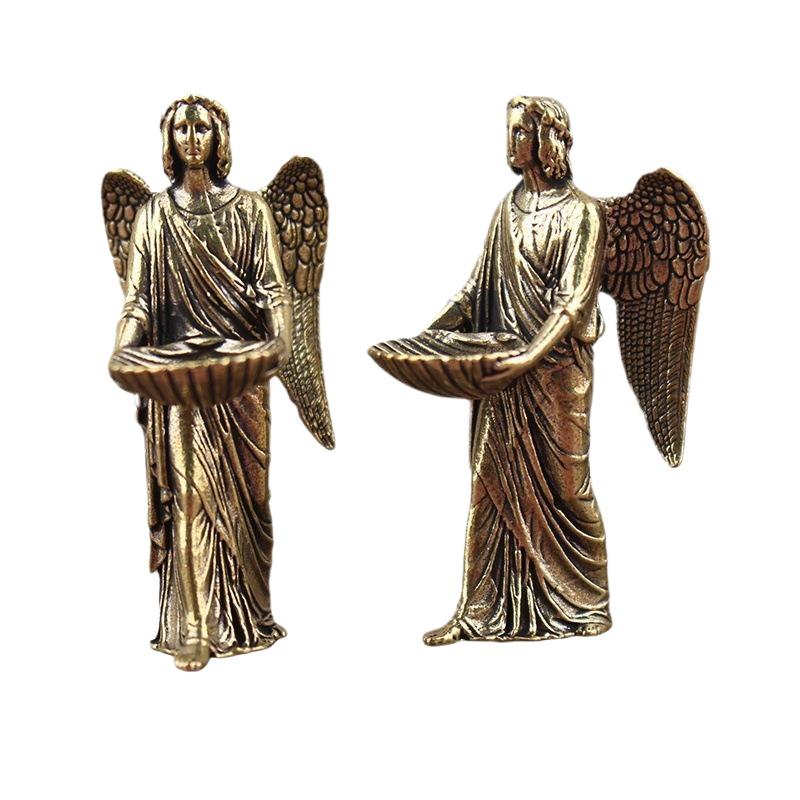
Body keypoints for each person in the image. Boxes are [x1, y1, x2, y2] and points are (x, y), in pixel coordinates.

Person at [423, 96, 612, 645]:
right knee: (488, 484)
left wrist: (531, 357)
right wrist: (431, 332)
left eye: (519, 132)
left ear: (545, 139)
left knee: (568, 488)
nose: (510, 143)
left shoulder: (583, 213)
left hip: (556, 375)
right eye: (509, 132)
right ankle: (477, 610)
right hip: (502, 375)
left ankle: (589, 600)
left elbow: (573, 303)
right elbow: (475, 289)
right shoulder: (506, 209)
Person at [114, 96, 291, 670]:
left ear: (220, 138)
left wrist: (280, 342)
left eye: (203, 128)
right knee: (189, 498)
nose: (193, 139)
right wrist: (123, 346)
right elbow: (139, 300)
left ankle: (246, 613)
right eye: (182, 129)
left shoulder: (252, 210)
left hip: (241, 378)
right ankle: (193, 625)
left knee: (252, 503)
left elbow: (275, 289)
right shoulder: (153, 215)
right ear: (169, 139)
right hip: (181, 382)